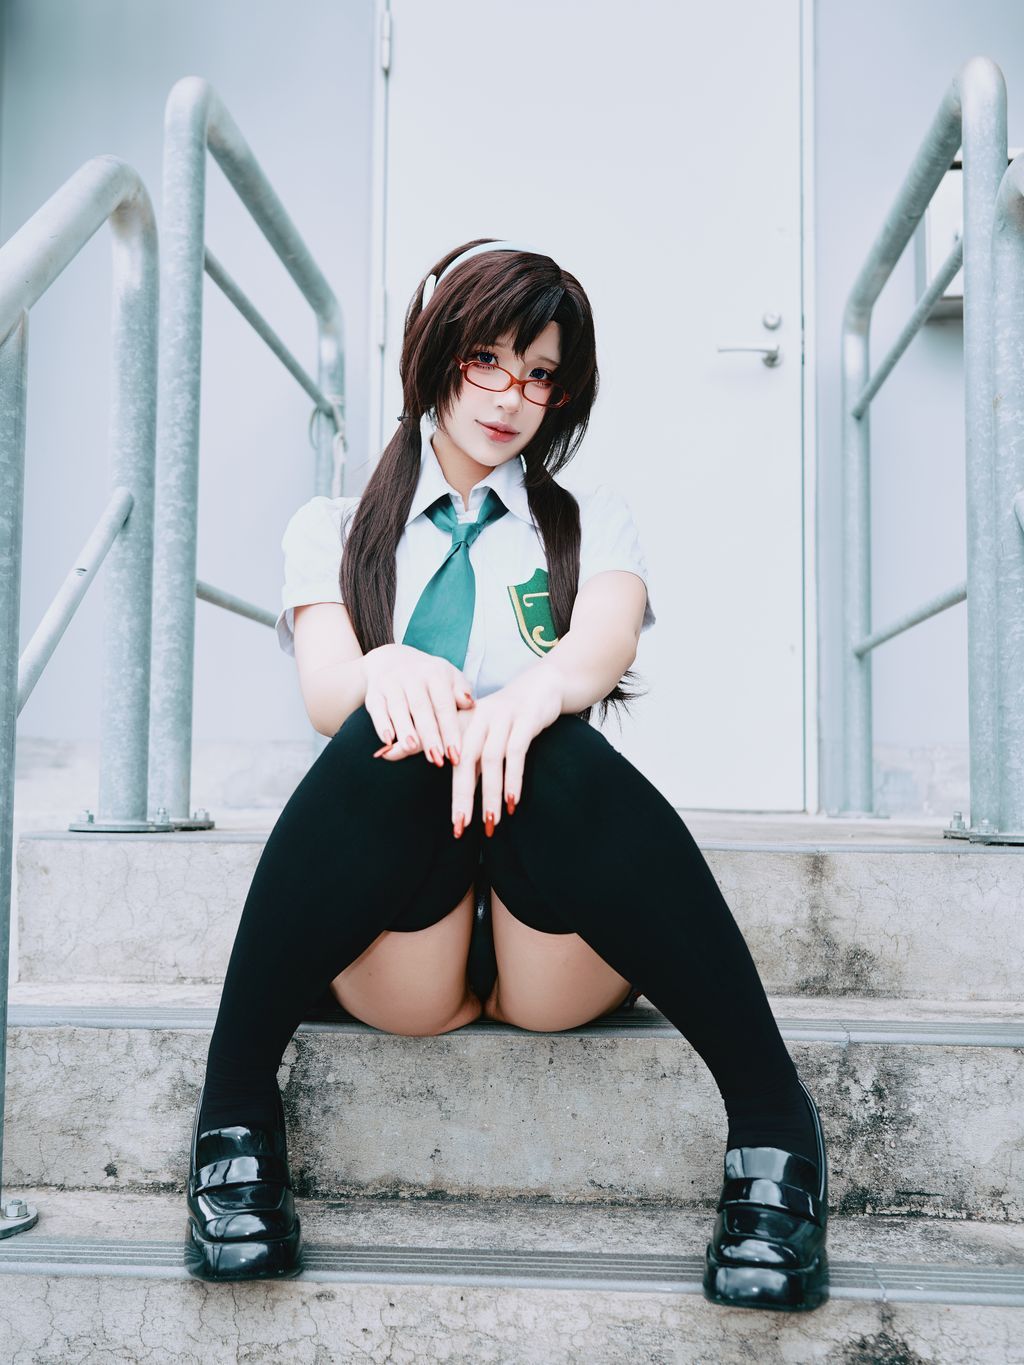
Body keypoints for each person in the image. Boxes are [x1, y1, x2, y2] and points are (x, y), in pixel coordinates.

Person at [184, 238, 829, 1312]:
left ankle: (773, 1117)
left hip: (551, 951)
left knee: (554, 738)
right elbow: (326, 688)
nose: (508, 397)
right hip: (407, 948)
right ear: (435, 353)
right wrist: (390, 668)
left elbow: (603, 643)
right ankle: (235, 1106)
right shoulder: (333, 529)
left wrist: (536, 694)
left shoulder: (588, 523)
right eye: (486, 359)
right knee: (390, 730)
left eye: (539, 376)